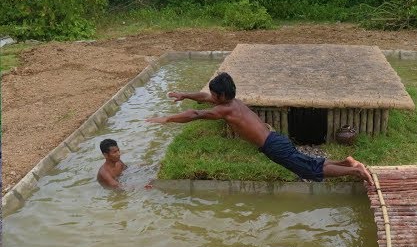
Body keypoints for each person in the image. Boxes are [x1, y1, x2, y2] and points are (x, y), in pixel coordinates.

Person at [146, 72, 374, 185]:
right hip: (275, 139)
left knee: (308, 171)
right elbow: (203, 97)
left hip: (273, 146)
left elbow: (195, 113)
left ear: (222, 95)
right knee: (309, 162)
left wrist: (166, 119)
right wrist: (184, 94)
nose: (211, 97)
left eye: (215, 94)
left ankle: (355, 171)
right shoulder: (232, 102)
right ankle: (347, 162)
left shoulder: (225, 109)